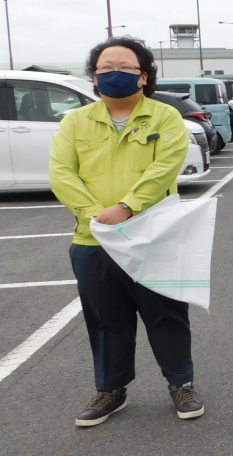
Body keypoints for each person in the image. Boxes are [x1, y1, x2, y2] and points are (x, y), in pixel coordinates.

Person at [49, 36, 205, 426]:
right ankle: (110, 390)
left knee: (167, 314)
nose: (114, 75)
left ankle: (181, 384)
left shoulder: (164, 117)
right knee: (105, 318)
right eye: (105, 69)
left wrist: (126, 208)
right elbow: (61, 173)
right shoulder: (75, 121)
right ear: (93, 77)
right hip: (93, 239)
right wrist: (93, 216)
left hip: (153, 233)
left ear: (143, 77)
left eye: (125, 69)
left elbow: (164, 168)